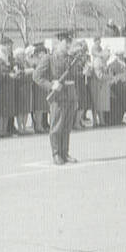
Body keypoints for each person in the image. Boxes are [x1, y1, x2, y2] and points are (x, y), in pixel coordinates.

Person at [33, 35, 81, 165]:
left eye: (70, 43)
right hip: (58, 96)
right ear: (59, 42)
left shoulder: (71, 59)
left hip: (70, 95)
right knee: (57, 126)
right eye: (66, 43)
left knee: (67, 126)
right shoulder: (49, 58)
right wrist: (51, 85)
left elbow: (76, 76)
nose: (68, 46)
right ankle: (56, 153)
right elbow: (37, 76)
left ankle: (65, 152)